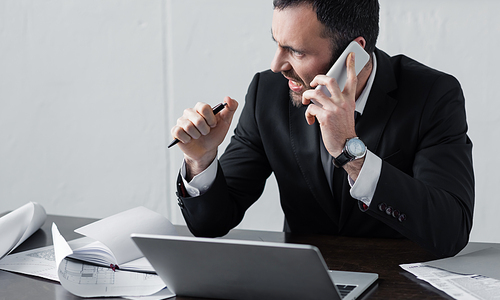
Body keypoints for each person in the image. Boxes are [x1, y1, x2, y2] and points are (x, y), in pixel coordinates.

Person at [170, 0, 474, 257]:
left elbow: (450, 230)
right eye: (277, 44)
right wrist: (202, 159)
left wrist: (352, 153)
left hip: (400, 294)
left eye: (297, 52)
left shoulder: (433, 94)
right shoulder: (268, 93)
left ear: (353, 55)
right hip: (305, 292)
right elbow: (211, 224)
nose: (277, 65)